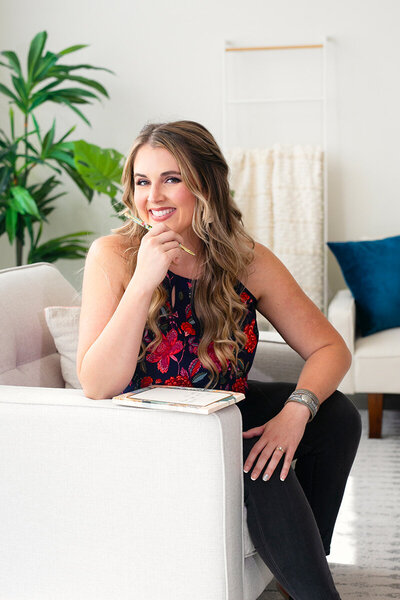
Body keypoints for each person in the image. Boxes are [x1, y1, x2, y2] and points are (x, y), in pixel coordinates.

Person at [77, 120, 361, 600]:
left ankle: (304, 570)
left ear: (206, 183)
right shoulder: (115, 255)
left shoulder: (246, 259)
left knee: (335, 415)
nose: (153, 196)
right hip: (146, 430)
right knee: (261, 461)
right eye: (143, 181)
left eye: (172, 178)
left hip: (220, 412)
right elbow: (98, 384)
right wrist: (146, 278)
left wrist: (295, 412)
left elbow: (330, 348)